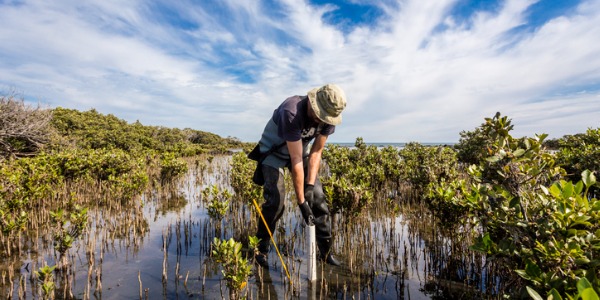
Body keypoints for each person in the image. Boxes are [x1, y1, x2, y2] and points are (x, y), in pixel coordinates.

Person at [253, 83, 347, 268]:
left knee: (318, 198)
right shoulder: (291, 111)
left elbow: (316, 152)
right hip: (272, 153)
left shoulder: (329, 119)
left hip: (299, 151)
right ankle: (261, 249)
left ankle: (326, 252)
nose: (322, 120)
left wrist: (310, 187)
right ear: (312, 102)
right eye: (320, 114)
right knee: (276, 202)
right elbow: (295, 159)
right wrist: (301, 202)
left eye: (326, 117)